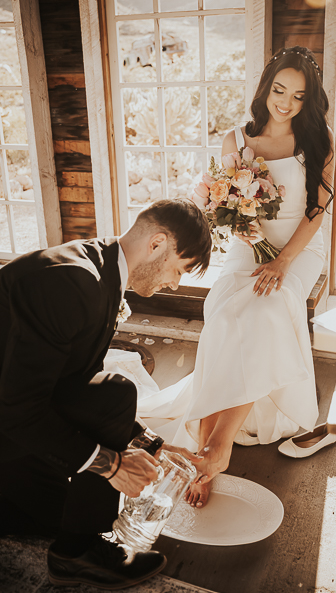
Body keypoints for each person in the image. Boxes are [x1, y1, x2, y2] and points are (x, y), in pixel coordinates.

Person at [137, 46, 336, 508]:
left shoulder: (320, 139)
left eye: (299, 96)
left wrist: (283, 262)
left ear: (310, 101)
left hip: (299, 249)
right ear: (265, 88)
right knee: (224, 314)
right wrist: (240, 223)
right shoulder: (236, 141)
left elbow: (316, 212)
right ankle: (205, 445)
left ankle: (216, 447)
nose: (285, 103)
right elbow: (227, 209)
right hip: (249, 248)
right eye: (279, 90)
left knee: (267, 307)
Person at [0, 199, 211, 589]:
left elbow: (76, 381)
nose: (175, 284)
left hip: (16, 411)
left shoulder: (102, 271)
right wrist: (111, 465)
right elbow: (17, 409)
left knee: (57, 515)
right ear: (157, 244)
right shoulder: (71, 281)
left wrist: (152, 444)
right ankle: (74, 555)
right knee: (116, 392)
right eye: (178, 269)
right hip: (8, 417)